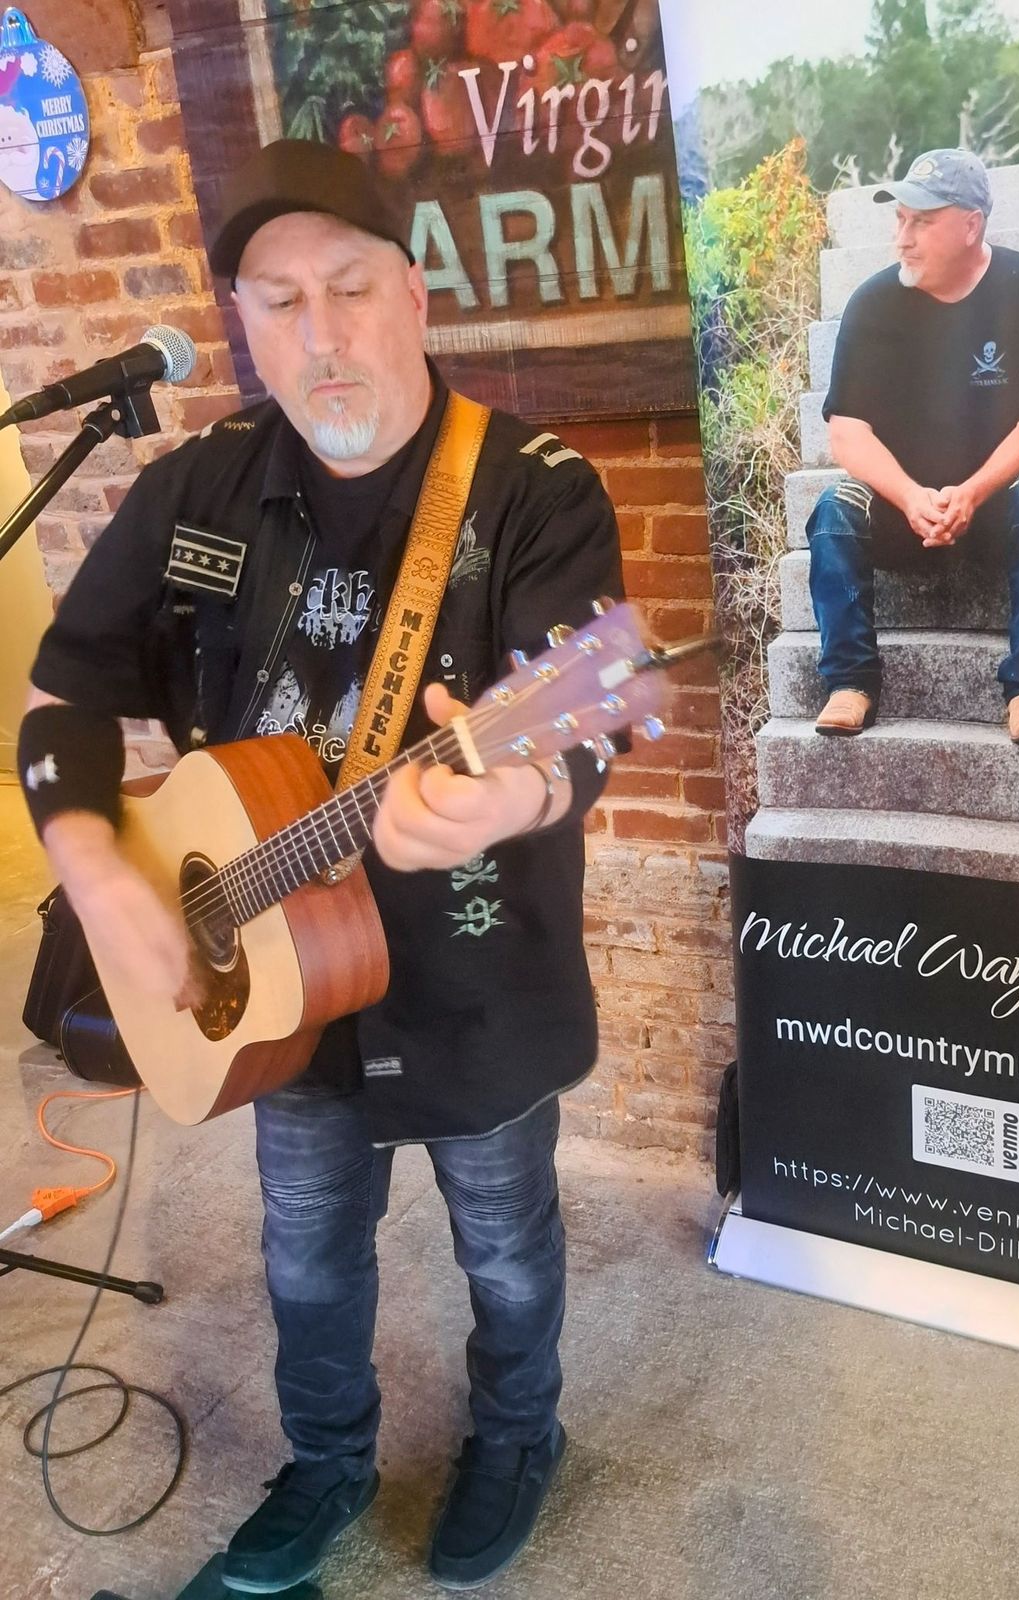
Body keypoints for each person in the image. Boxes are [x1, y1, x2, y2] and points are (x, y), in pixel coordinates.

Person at [17, 138, 623, 1593]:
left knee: (506, 1245)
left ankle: (516, 1433)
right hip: (277, 992)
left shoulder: (533, 491)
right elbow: (63, 695)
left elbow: (586, 717)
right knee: (303, 1254)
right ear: (240, 322)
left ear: (415, 294)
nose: (320, 333)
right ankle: (327, 1459)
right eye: (278, 302)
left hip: (478, 970)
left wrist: (510, 791)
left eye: (350, 288)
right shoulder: (197, 485)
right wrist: (97, 867)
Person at [809, 147, 1019, 746]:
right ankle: (850, 681)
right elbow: (847, 430)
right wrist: (912, 497)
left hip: (996, 509)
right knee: (834, 510)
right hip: (903, 510)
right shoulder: (874, 304)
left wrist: (972, 493)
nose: (903, 239)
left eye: (922, 222)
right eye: (900, 219)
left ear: (970, 225)